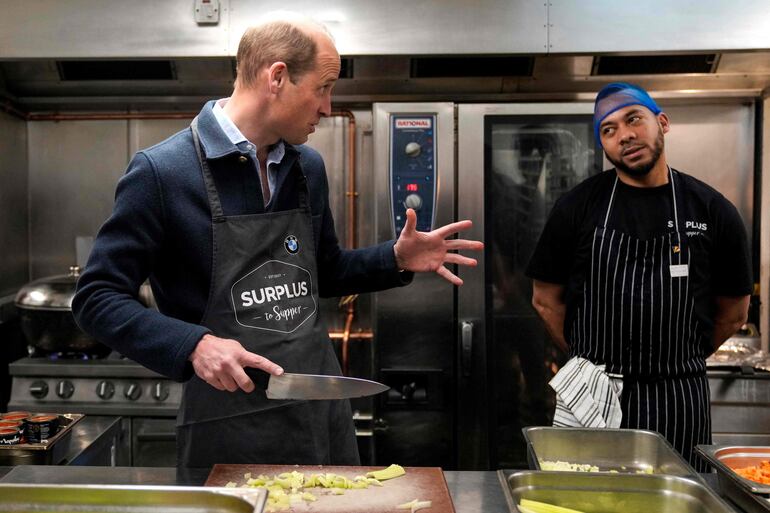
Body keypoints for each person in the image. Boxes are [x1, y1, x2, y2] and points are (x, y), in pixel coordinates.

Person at [72, 13, 482, 467]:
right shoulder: (162, 173)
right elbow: (96, 298)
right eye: (323, 88)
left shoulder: (306, 168)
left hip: (318, 415)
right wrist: (194, 345)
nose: (328, 108)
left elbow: (324, 272)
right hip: (227, 424)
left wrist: (396, 258)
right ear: (278, 78)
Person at [526, 82, 751, 470]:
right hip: (592, 393)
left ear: (662, 123)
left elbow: (734, 314)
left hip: (678, 398)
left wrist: (678, 363)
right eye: (609, 130)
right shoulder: (577, 207)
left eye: (634, 119)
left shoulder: (713, 210)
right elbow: (545, 300)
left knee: (677, 495)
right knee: (586, 495)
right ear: (603, 145)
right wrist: (586, 361)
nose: (625, 135)